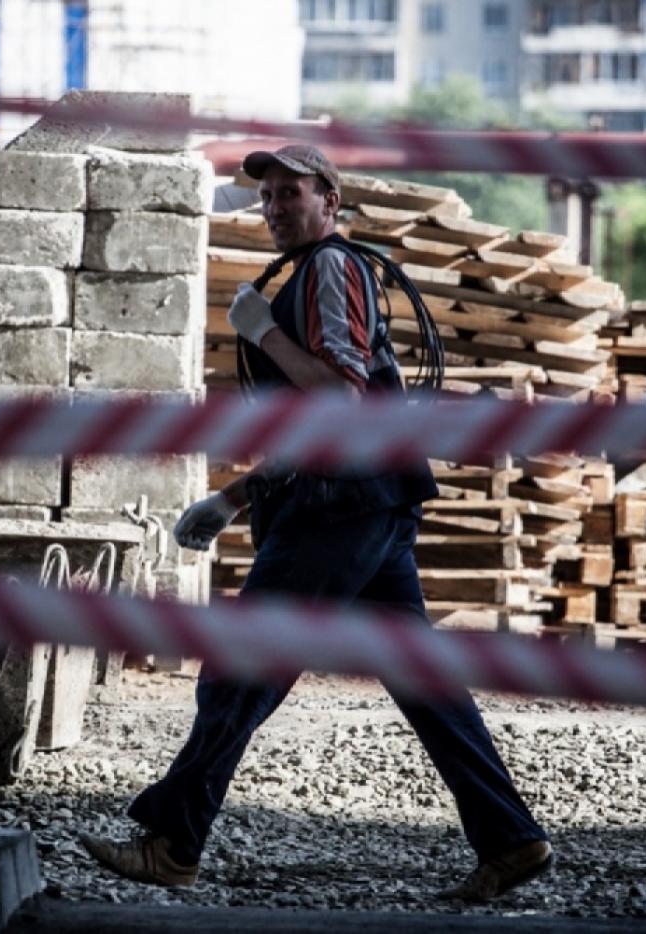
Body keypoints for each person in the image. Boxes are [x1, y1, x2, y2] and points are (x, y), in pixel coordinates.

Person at [79, 144, 552, 903]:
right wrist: (233, 498)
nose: (275, 209)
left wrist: (263, 330)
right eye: (267, 197)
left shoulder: (332, 269)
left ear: (330, 199)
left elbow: (341, 396)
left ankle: (172, 844)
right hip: (364, 501)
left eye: (292, 193)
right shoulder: (309, 277)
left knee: (237, 674)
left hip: (341, 508)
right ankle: (512, 839)